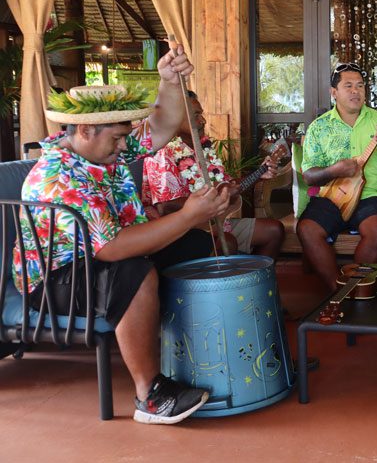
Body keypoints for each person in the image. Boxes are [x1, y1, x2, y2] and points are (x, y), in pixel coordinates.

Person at [14, 45, 232, 424]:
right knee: (134, 272)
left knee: (195, 245)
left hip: (102, 255)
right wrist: (188, 214)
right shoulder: (60, 178)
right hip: (55, 279)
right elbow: (112, 248)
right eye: (116, 139)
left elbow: (161, 129)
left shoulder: (101, 149)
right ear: (84, 129)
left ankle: (204, 350)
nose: (123, 147)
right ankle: (150, 395)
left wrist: (167, 80)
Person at [296, 62, 377, 290]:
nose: (355, 91)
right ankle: (338, 290)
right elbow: (309, 176)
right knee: (307, 229)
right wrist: (334, 171)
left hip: (370, 196)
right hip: (330, 197)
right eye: (348, 86)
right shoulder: (319, 127)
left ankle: (356, 285)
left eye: (360, 86)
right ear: (334, 92)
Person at [141, 90, 286, 259]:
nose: (203, 120)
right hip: (178, 232)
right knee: (227, 242)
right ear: (175, 119)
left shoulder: (204, 148)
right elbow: (165, 207)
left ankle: (254, 282)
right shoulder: (162, 152)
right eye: (196, 115)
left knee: (274, 231)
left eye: (201, 114)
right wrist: (211, 202)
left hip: (213, 224)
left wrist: (260, 174)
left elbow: (227, 185)